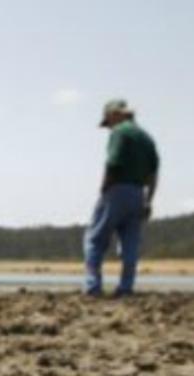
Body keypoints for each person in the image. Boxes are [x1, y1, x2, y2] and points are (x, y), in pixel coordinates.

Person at [83, 99, 160, 297]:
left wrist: (104, 188)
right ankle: (126, 288)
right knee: (130, 244)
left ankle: (93, 287)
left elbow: (112, 163)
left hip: (117, 190)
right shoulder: (147, 138)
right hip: (138, 194)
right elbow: (153, 174)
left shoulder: (120, 132)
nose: (109, 127)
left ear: (114, 115)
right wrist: (148, 200)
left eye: (108, 122)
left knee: (94, 239)